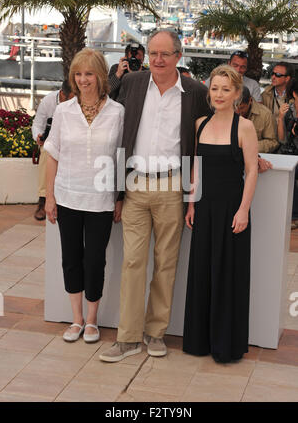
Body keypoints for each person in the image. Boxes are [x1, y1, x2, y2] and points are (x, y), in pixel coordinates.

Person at [99, 30, 211, 363]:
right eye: (153, 53)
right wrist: (117, 192)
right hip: (134, 184)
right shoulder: (132, 84)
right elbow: (117, 132)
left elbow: (213, 132)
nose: (158, 60)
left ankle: (155, 333)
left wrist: (252, 155)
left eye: (165, 53)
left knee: (166, 263)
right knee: (133, 262)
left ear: (179, 55)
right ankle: (128, 338)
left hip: (172, 186)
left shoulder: (196, 92)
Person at [44, 48, 124, 343]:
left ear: (101, 76)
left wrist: (119, 197)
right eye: (78, 74)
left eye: (89, 73)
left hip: (101, 200)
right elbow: (52, 153)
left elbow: (121, 158)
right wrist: (49, 197)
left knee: (95, 260)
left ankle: (92, 321)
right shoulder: (63, 111)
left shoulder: (117, 112)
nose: (83, 79)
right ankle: (76, 319)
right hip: (67, 196)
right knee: (71, 258)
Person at [183, 65, 258, 363]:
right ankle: (199, 342)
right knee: (201, 273)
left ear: (237, 93)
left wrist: (243, 210)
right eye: (215, 88)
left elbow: (251, 171)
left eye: (226, 89)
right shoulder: (200, 123)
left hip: (231, 211)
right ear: (208, 90)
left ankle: (226, 346)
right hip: (203, 210)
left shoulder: (245, 127)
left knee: (227, 276)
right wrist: (191, 204)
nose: (219, 94)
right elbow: (196, 168)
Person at [32, 81, 74, 220]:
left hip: (71, 142)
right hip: (51, 141)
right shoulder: (48, 101)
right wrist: (38, 136)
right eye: (71, 98)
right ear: (62, 94)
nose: (74, 101)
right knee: (46, 150)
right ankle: (43, 199)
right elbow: (38, 124)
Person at [276, 78, 298, 229]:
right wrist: (280, 118)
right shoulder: (288, 109)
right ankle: (292, 216)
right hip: (289, 154)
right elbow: (282, 139)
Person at [236, 86, 279, 154]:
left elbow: (273, 142)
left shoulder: (265, 115)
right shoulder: (226, 112)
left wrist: (249, 146)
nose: (238, 111)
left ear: (250, 100)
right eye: (235, 108)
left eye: (242, 108)